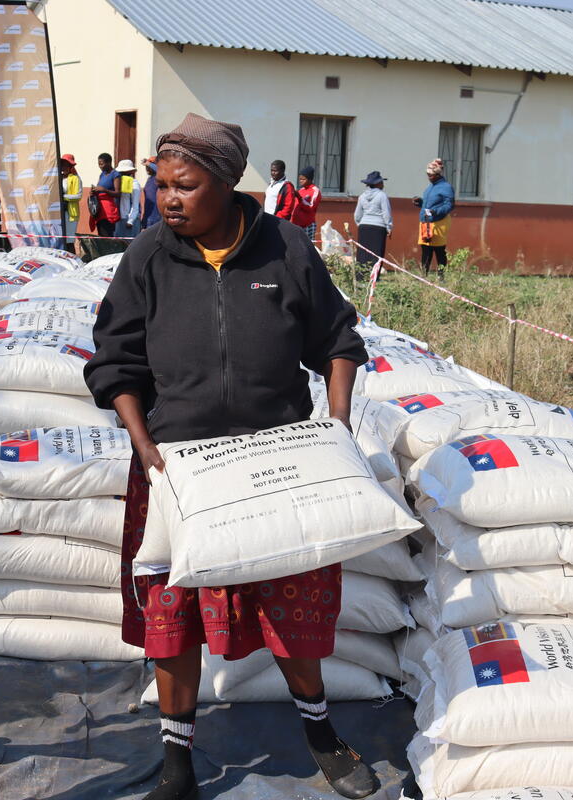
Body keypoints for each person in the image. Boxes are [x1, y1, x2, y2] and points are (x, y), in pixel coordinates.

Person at [84, 112, 377, 800]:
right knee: (174, 615)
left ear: (224, 183)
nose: (169, 199)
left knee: (294, 613)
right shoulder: (148, 258)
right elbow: (114, 361)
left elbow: (338, 339)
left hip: (276, 465)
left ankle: (321, 736)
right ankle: (178, 767)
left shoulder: (286, 251)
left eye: (184, 186)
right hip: (179, 469)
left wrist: (334, 425)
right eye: (161, 186)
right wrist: (143, 442)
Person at [412, 158, 454, 278]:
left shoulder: (446, 187)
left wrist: (436, 211)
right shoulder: (430, 187)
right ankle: (423, 276)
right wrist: (420, 202)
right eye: (428, 175)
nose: (429, 177)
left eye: (431, 175)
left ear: (438, 175)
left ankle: (441, 277)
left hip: (438, 222)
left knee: (439, 250)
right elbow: (428, 204)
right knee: (425, 250)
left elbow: (449, 205)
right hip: (426, 222)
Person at [354, 171, 393, 275]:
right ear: (377, 183)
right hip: (378, 228)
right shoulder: (382, 196)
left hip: (364, 227)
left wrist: (361, 224)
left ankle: (361, 276)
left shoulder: (362, 196)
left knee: (362, 253)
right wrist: (389, 228)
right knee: (376, 254)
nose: (383, 184)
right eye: (381, 182)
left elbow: (357, 215)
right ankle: (373, 277)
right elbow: (386, 213)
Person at [90, 152, 121, 236]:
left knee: (107, 233)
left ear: (109, 163)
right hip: (100, 209)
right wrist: (93, 191)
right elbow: (98, 187)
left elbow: (118, 193)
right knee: (101, 233)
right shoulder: (102, 174)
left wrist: (104, 190)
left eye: (102, 164)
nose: (100, 166)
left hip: (108, 210)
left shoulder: (115, 174)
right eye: (99, 164)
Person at [291, 166, 321, 241]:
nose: (301, 181)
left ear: (310, 179)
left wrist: (299, 198)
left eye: (303, 179)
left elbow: (311, 207)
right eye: (300, 179)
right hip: (296, 225)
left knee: (307, 248)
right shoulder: (301, 190)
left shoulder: (315, 191)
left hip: (307, 225)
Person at [115, 158, 142, 238]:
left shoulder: (135, 184)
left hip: (129, 220)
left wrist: (131, 220)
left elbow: (135, 204)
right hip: (120, 218)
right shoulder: (119, 183)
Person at [59, 153, 81, 242]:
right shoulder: (57, 178)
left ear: (71, 166)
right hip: (59, 213)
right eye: (62, 165)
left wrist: (63, 197)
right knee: (60, 241)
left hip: (70, 213)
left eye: (66, 165)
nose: (64, 167)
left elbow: (78, 196)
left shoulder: (75, 179)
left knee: (69, 241)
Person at [140, 156, 161, 229]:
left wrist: (149, 164)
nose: (147, 168)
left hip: (155, 216)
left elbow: (160, 170)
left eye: (148, 166)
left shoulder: (159, 178)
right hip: (148, 214)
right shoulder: (150, 179)